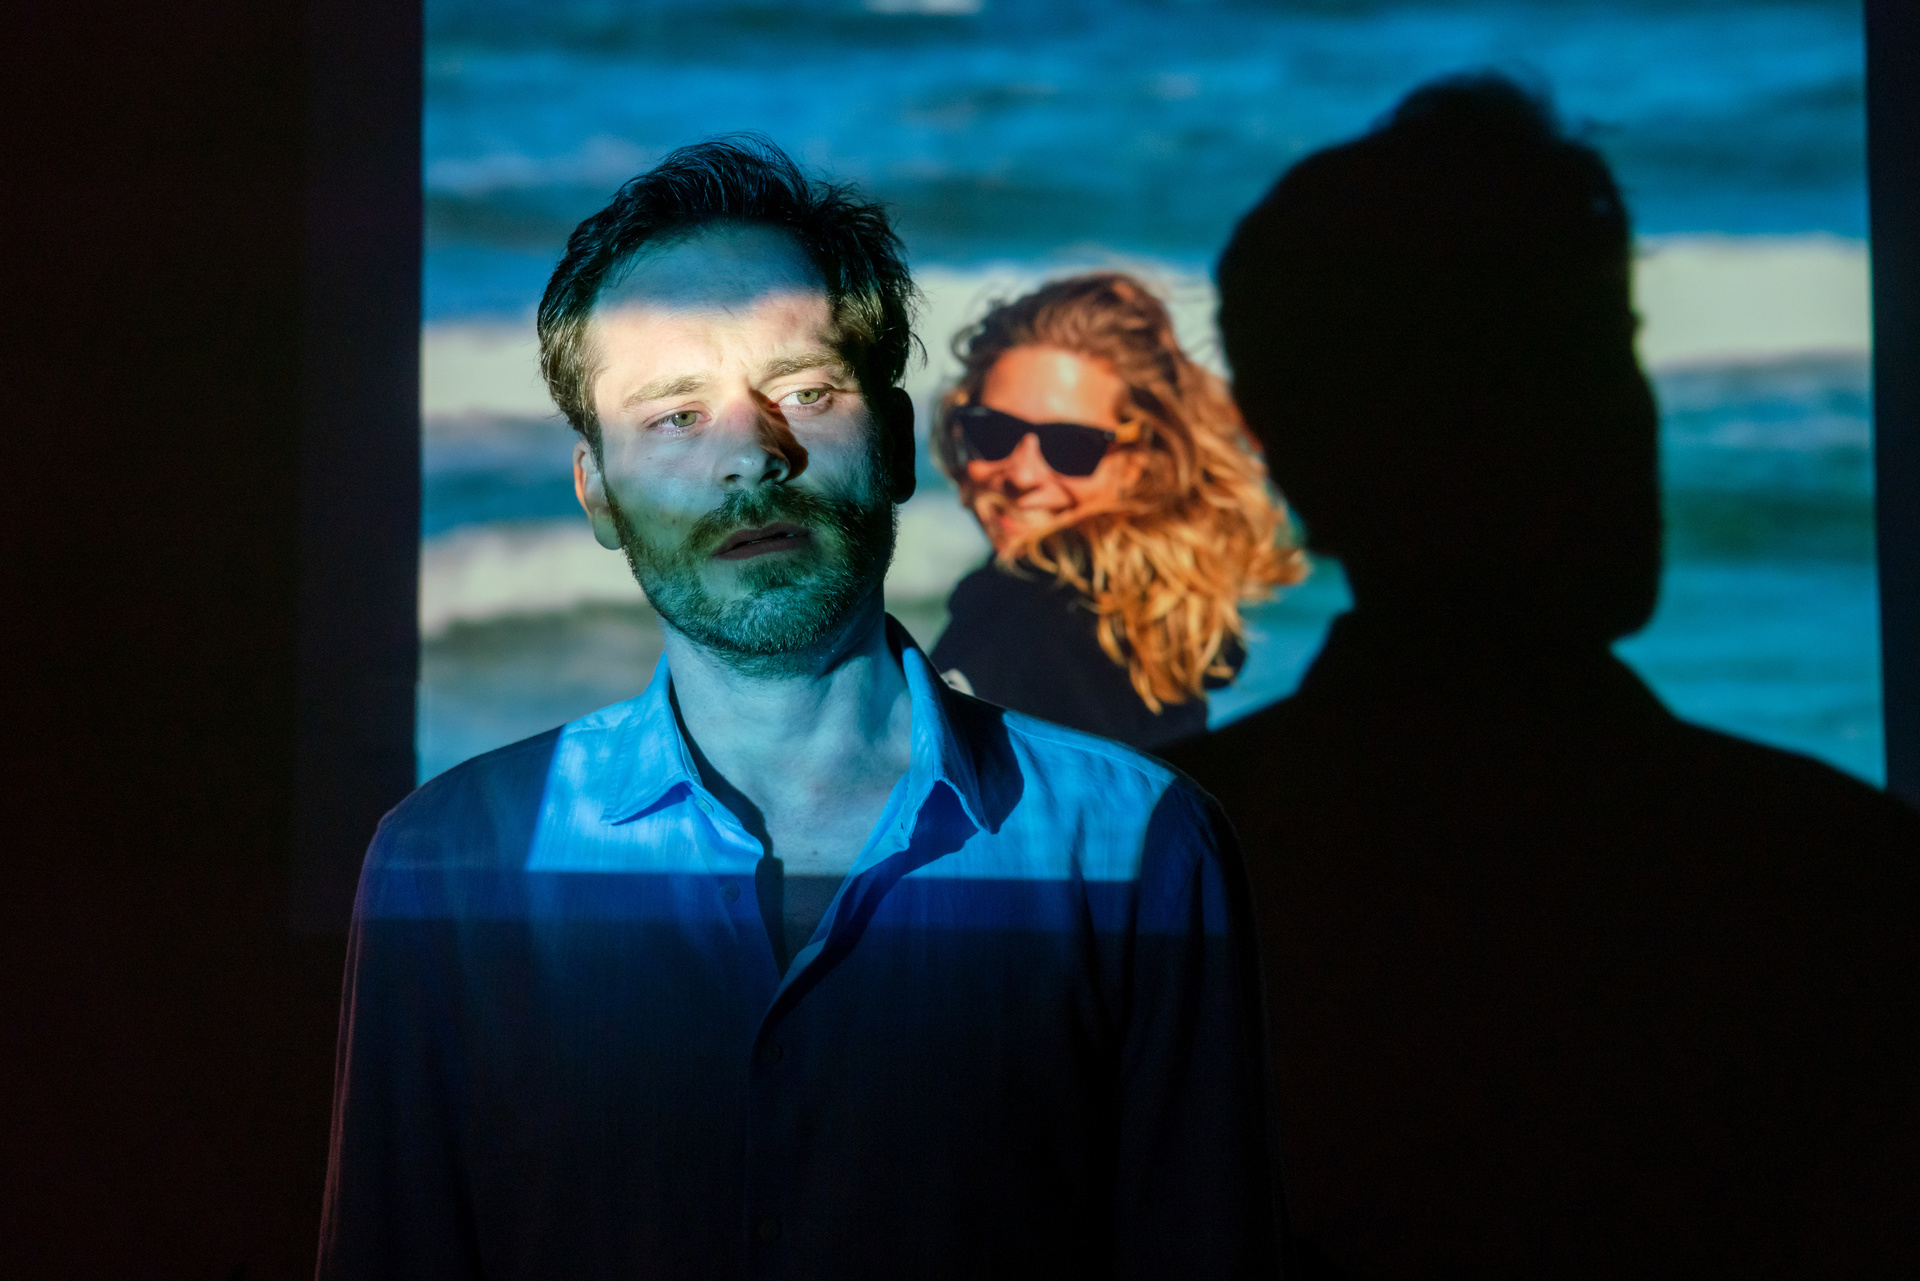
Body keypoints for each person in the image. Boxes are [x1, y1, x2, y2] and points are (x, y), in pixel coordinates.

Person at [317, 137, 1278, 1279]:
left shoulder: (1142, 844)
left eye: (806, 393)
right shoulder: (442, 865)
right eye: (675, 416)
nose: (752, 455)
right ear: (597, 491)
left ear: (896, 442)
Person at [1165, 75, 1920, 1277]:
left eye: (1605, 355)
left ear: (1283, 449)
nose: (1622, 423)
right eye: (1565, 363)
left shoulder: (1134, 885)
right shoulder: (1840, 887)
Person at [929, 274, 1304, 751]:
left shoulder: (1050, 622)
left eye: (1071, 446)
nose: (1022, 475)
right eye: (994, 432)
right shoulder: (1151, 622)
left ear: (1140, 460)